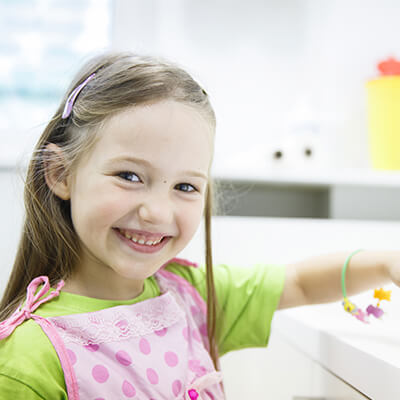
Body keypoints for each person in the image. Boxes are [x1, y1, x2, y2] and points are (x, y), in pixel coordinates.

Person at [0, 52, 398, 400]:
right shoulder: (28, 357)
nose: (157, 211)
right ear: (60, 173)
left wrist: (386, 265)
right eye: (129, 176)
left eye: (185, 186)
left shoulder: (189, 296)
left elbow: (299, 282)